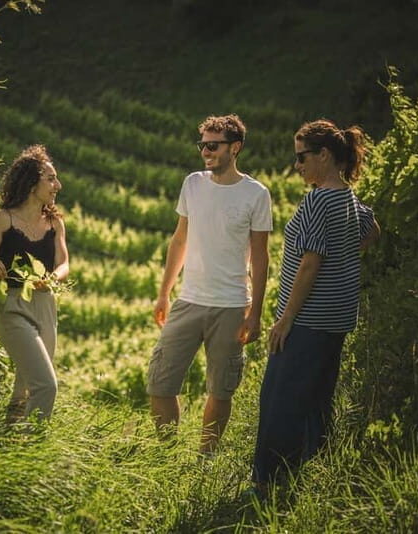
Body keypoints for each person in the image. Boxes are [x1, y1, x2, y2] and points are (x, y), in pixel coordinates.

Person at [250, 119, 380, 491]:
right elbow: (373, 232)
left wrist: (285, 319)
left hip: (307, 319)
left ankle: (269, 480)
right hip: (335, 318)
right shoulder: (349, 198)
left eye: (302, 156)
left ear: (324, 155)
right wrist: (345, 258)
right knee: (316, 397)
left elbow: (310, 262)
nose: (297, 165)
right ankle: (311, 469)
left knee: (281, 398)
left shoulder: (320, 198)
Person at [147, 114, 273, 455]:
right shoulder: (193, 184)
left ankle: (205, 459)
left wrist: (255, 312)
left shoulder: (256, 194)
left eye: (213, 145)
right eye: (202, 144)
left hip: (232, 306)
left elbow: (261, 257)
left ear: (235, 148)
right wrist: (164, 293)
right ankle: (167, 455)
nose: (205, 151)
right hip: (188, 301)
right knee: (159, 382)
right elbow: (179, 240)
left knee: (221, 390)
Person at [0, 145, 69, 423]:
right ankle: (35, 446)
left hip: (45, 306)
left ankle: (7, 444)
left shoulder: (55, 223)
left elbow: (64, 263)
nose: (58, 185)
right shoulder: (2, 219)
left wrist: (53, 278)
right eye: (51, 178)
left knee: (25, 389)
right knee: (46, 385)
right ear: (32, 182)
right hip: (13, 305)